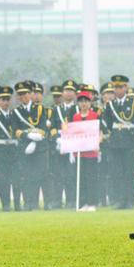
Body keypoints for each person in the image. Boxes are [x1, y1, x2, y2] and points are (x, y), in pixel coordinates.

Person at [103, 75, 134, 209]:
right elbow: (108, 123)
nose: (118, 90)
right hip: (115, 142)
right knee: (117, 172)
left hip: (129, 141)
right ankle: (119, 200)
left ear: (126, 87)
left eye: (121, 87)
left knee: (128, 172)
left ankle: (129, 200)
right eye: (116, 87)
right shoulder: (110, 104)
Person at [11, 81, 48, 210]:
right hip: (25, 149)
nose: (22, 97)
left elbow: (44, 128)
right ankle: (29, 203)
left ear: (31, 94)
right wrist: (28, 137)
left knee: (41, 175)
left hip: (40, 148)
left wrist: (35, 139)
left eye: (25, 93)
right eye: (19, 94)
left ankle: (43, 203)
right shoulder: (16, 112)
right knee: (26, 177)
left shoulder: (41, 109)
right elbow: (15, 130)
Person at [49, 79, 78, 209]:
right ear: (62, 93)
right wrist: (57, 138)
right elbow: (53, 127)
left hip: (74, 146)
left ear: (75, 93)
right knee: (58, 174)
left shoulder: (78, 108)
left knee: (71, 175)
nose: (68, 93)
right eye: (66, 90)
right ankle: (57, 200)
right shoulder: (56, 110)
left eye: (71, 91)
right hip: (59, 145)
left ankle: (72, 200)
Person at [72, 91, 100, 211]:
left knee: (91, 178)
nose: (84, 104)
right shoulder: (75, 117)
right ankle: (82, 203)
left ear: (90, 103)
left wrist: (97, 144)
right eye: (81, 101)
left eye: (86, 101)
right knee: (81, 178)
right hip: (79, 152)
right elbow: (72, 133)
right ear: (78, 103)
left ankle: (92, 203)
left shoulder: (95, 115)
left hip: (91, 152)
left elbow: (100, 132)